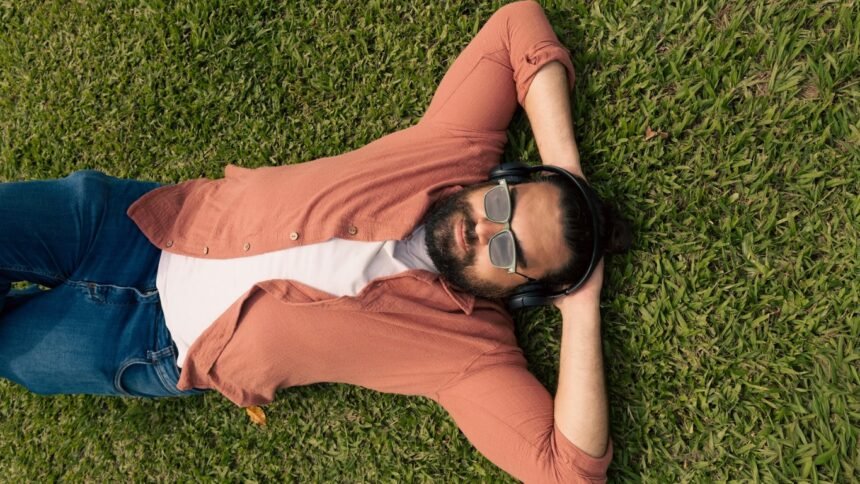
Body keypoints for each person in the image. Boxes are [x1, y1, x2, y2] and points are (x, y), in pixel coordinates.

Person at [0, 2, 629, 482]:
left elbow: (568, 470)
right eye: (503, 205)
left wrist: (581, 306)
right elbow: (519, 24)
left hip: (152, 345)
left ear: (526, 294)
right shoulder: (452, 152)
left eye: (509, 252)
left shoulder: (469, 354)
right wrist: (565, 171)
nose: (484, 229)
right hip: (134, 223)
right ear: (502, 181)